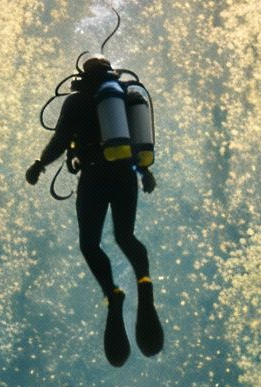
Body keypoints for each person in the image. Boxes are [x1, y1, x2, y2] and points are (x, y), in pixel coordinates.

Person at [25, 54, 163, 367]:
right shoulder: (125, 96)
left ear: (82, 75)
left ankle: (113, 294)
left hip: (94, 178)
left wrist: (39, 164)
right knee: (126, 236)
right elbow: (135, 144)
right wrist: (146, 173)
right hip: (125, 176)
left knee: (90, 244)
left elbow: (60, 140)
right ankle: (144, 283)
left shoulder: (76, 101)